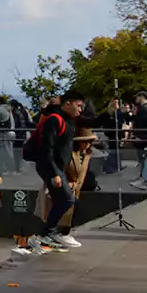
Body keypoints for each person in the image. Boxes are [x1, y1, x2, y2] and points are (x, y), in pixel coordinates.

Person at [31, 90, 85, 251]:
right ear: (67, 103)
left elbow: (91, 121)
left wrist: (110, 112)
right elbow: (47, 149)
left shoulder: (69, 119)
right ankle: (47, 233)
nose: (80, 110)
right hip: (49, 166)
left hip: (56, 167)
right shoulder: (54, 120)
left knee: (61, 200)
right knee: (68, 199)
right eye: (78, 106)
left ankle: (48, 233)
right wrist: (54, 173)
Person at [35, 127, 96, 248]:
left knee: (71, 212)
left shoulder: (87, 153)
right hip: (61, 186)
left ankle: (61, 235)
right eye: (85, 141)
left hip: (74, 188)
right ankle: (51, 235)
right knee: (60, 210)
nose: (88, 145)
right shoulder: (66, 153)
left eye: (90, 142)